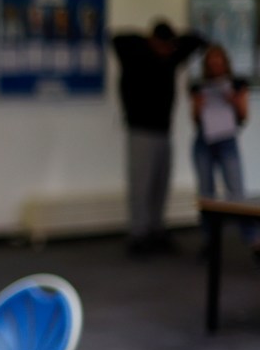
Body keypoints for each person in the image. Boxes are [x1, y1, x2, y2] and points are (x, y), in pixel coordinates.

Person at [111, 19, 206, 257]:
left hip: (164, 131)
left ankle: (156, 229)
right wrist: (149, 42)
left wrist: (171, 45)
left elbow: (198, 41)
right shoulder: (134, 56)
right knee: (140, 186)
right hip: (140, 131)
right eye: (162, 44)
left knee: (160, 185)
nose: (166, 50)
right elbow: (116, 38)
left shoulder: (171, 59)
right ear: (152, 41)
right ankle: (138, 234)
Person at [189, 44, 260, 262]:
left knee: (236, 193)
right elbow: (195, 118)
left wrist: (232, 100)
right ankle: (209, 242)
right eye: (211, 61)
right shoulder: (198, 86)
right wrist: (199, 105)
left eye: (219, 60)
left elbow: (243, 116)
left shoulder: (238, 84)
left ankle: (254, 241)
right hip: (205, 141)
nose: (215, 64)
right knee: (207, 194)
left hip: (227, 140)